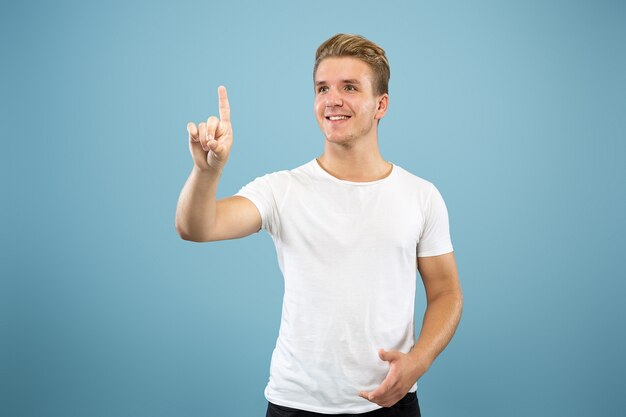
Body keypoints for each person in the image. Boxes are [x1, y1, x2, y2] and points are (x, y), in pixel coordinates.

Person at [175, 33, 463, 417]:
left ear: (381, 105)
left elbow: (446, 292)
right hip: (295, 404)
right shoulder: (281, 189)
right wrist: (205, 172)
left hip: (392, 402)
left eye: (350, 87)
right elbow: (197, 227)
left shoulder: (421, 195)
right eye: (322, 88)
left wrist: (420, 360)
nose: (333, 100)